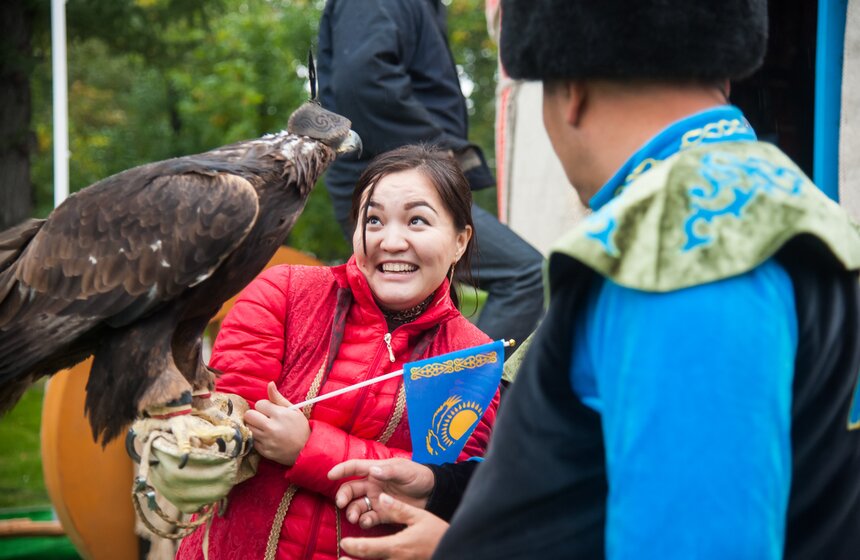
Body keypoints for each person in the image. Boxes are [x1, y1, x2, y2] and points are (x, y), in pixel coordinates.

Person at [329, 1, 860, 558]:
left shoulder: (683, 246)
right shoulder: (799, 213)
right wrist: (447, 487)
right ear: (721, 73)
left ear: (570, 90)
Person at [174, 145, 500, 560]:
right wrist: (378, 464)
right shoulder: (284, 292)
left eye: (417, 220)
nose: (391, 240)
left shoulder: (471, 357)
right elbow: (236, 427)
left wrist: (306, 446)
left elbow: (451, 486)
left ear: (459, 241)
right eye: (374, 220)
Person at [316, 0, 544, 350]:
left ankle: (430, 398)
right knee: (525, 275)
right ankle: (465, 397)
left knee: (430, 311)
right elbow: (363, 79)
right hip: (389, 186)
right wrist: (440, 154)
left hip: (403, 183)